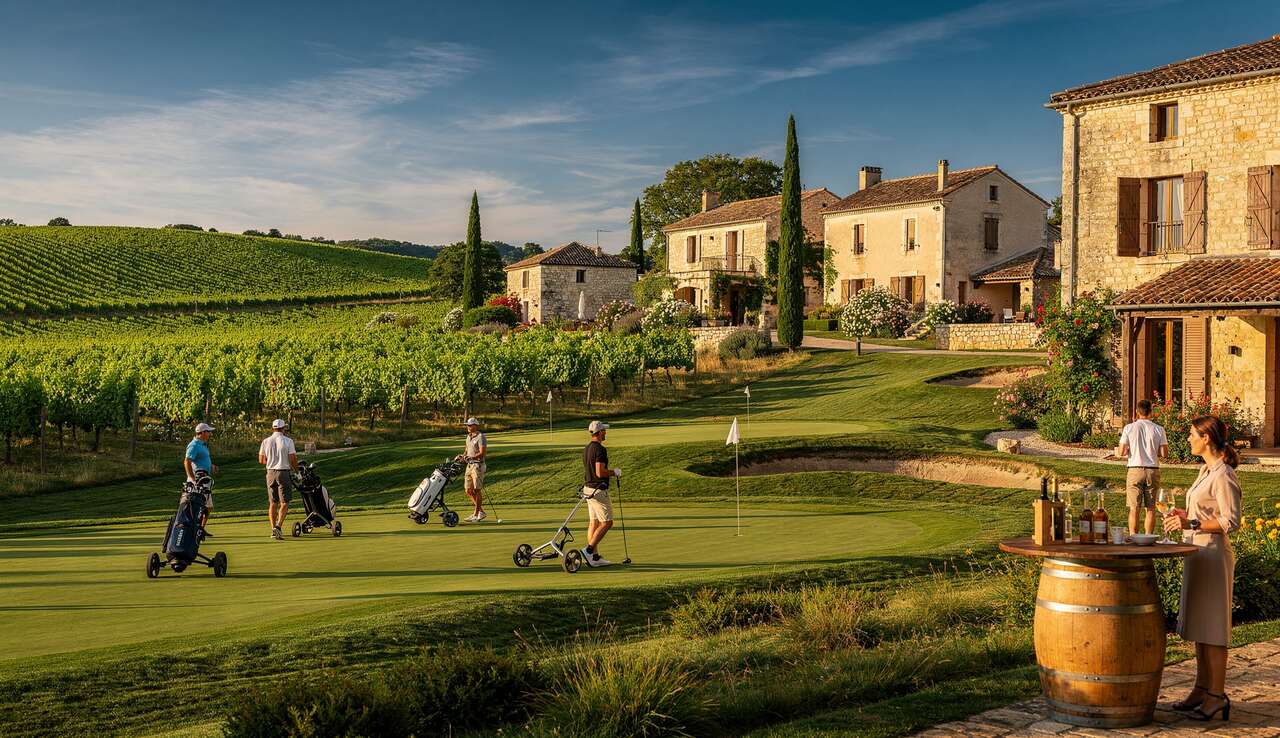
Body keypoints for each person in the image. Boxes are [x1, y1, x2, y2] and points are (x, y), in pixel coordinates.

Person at [1163, 415, 1242, 722]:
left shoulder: (1223, 474)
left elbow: (1230, 521)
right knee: (1200, 627)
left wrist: (1191, 522)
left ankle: (1217, 696)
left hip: (1213, 556)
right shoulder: (1206, 470)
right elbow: (1206, 511)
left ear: (1206, 438)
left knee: (1214, 629)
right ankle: (1201, 688)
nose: (1188, 439)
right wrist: (1187, 514)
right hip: (1198, 554)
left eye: (1192, 434)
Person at [1119, 399, 1169, 535]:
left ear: (1137, 412)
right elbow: (1164, 453)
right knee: (1151, 507)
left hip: (1135, 469)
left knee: (1134, 508)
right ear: (1151, 412)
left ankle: (1133, 536)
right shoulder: (1159, 429)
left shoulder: (1129, 428)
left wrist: (1130, 449)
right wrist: (1154, 450)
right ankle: (1148, 537)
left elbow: (1121, 452)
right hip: (1152, 470)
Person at [581, 420, 622, 567]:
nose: (606, 432)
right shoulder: (600, 450)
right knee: (607, 522)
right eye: (604, 430)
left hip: (588, 489)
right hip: (598, 491)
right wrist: (614, 472)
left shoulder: (586, 449)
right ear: (599, 433)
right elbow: (600, 472)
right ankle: (588, 550)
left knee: (594, 522)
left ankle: (595, 557)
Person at [258, 418, 299, 540]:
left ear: (272, 428)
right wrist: (297, 472)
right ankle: (278, 527)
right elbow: (292, 459)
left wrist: (270, 461)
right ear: (284, 428)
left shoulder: (266, 441)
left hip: (270, 473)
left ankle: (273, 529)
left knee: (273, 502)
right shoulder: (288, 441)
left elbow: (261, 460)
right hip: (283, 472)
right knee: (285, 502)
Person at [184, 422, 218, 534]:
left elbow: (201, 460)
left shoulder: (203, 445)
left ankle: (200, 528)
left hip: (205, 480)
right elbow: (187, 462)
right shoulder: (194, 445)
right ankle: (195, 528)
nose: (210, 434)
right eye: (208, 432)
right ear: (202, 433)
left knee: (208, 507)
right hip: (197, 482)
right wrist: (192, 479)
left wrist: (211, 466)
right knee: (198, 506)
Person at [461, 417, 488, 522]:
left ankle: (476, 514)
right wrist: (462, 457)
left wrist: (472, 457)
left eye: (470, 425)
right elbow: (466, 451)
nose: (468, 427)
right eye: (467, 425)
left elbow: (482, 453)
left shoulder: (481, 437)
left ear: (475, 426)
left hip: (478, 466)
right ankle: (480, 511)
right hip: (469, 466)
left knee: (477, 490)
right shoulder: (468, 437)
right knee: (468, 490)